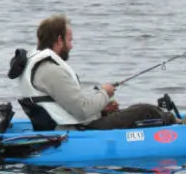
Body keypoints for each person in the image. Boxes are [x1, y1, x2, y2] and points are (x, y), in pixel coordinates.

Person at [11, 14, 176, 131]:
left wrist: (101, 108)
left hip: (69, 123)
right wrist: (105, 94)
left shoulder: (39, 66)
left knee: (134, 111)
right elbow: (81, 110)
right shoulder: (50, 70)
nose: (72, 45)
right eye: (70, 40)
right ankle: (179, 128)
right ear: (59, 41)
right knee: (145, 110)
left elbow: (67, 102)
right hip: (79, 129)